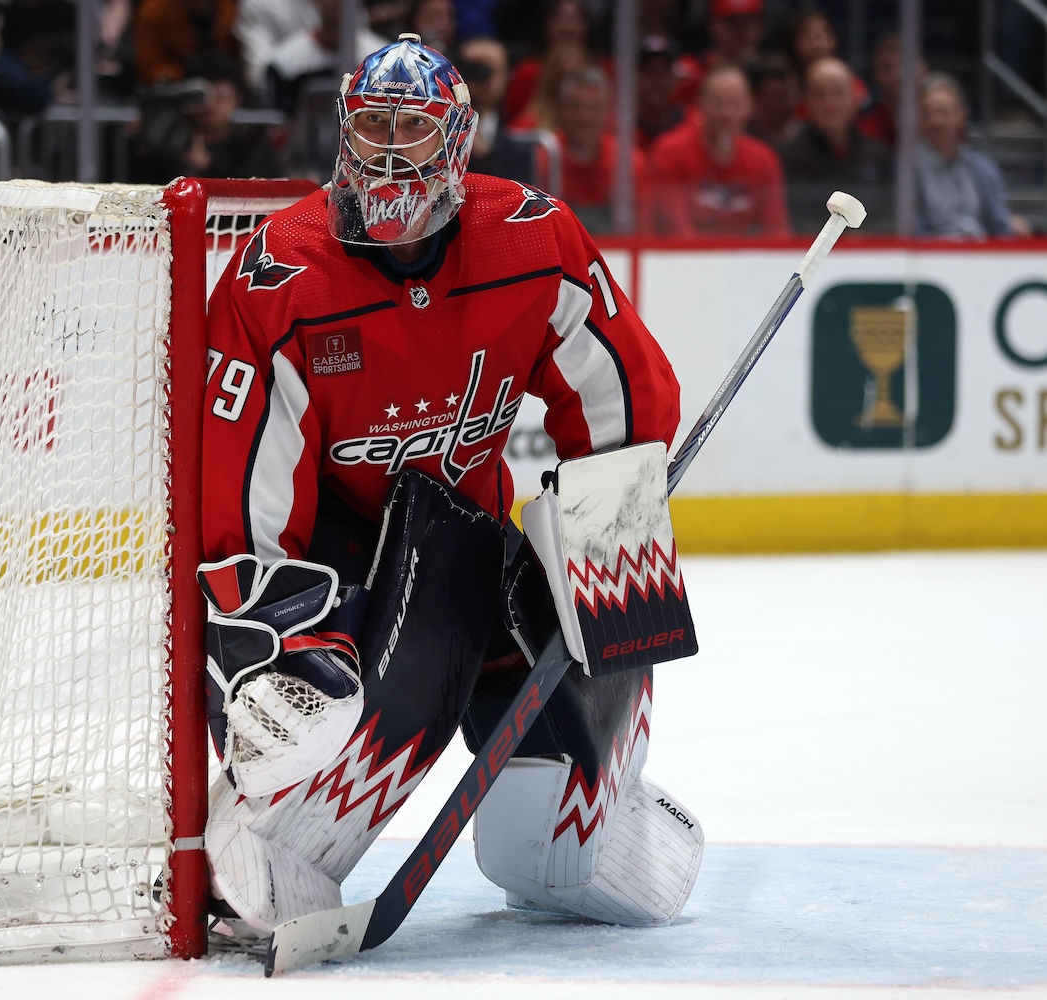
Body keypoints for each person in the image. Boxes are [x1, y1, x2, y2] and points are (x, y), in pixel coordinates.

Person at [199, 33, 700, 940]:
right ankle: (270, 835)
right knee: (367, 681)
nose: (390, 153)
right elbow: (241, 493)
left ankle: (585, 816)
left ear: (457, 144)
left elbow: (623, 392)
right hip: (334, 562)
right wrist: (276, 639)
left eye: (414, 132)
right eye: (374, 126)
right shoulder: (277, 277)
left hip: (466, 537)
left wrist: (605, 529)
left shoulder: (532, 236)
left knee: (597, 601)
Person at [648, 64, 789, 236]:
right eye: (718, 103)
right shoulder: (670, 152)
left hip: (745, 258)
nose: (726, 113)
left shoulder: (764, 159)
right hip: (686, 259)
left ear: (749, 107)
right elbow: (674, 227)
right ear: (700, 104)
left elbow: (776, 228)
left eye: (735, 104)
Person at [129, 52, 283, 183]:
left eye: (221, 95)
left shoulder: (251, 149)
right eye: (202, 96)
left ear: (238, 97)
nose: (211, 105)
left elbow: (254, 195)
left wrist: (208, 165)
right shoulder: (167, 137)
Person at [779, 57, 891, 233]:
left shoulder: (879, 155)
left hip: (870, 255)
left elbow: (892, 217)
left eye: (838, 93)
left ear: (855, 97)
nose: (829, 103)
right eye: (820, 94)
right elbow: (793, 221)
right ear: (806, 100)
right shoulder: (790, 157)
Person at [914, 73, 1030, 237]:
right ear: (918, 119)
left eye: (943, 112)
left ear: (961, 116)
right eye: (927, 113)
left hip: (981, 256)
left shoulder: (982, 168)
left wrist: (1013, 230)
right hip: (932, 257)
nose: (936, 122)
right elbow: (912, 232)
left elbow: (999, 226)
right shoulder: (908, 172)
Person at [544, 64, 648, 233]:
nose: (586, 117)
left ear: (607, 111)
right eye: (576, 107)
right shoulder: (543, 157)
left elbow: (643, 234)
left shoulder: (629, 163)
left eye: (595, 108)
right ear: (560, 110)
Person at [455, 35, 544, 187]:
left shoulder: (520, 149)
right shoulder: (438, 137)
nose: (484, 77)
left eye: (491, 69)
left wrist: (485, 157)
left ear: (506, 76)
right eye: (476, 69)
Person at [671, 0, 764, 111]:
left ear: (759, 27)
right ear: (713, 24)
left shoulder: (768, 78)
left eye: (747, 22)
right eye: (732, 22)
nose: (740, 31)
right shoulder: (689, 71)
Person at [131, 0, 240, 87]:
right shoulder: (154, 10)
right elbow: (148, 69)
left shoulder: (231, 8)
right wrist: (184, 73)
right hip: (177, 92)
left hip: (227, 89)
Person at [745, 54, 800, 149]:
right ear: (756, 98)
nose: (788, 103)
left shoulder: (812, 137)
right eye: (778, 97)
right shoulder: (745, 140)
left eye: (791, 95)